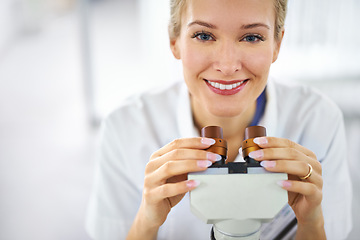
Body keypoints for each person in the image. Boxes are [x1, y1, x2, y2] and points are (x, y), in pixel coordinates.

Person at [85, 0, 353, 239]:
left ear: (277, 44)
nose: (227, 66)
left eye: (251, 37)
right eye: (203, 35)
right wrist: (147, 221)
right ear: (174, 40)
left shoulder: (318, 120)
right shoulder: (124, 127)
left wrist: (311, 223)